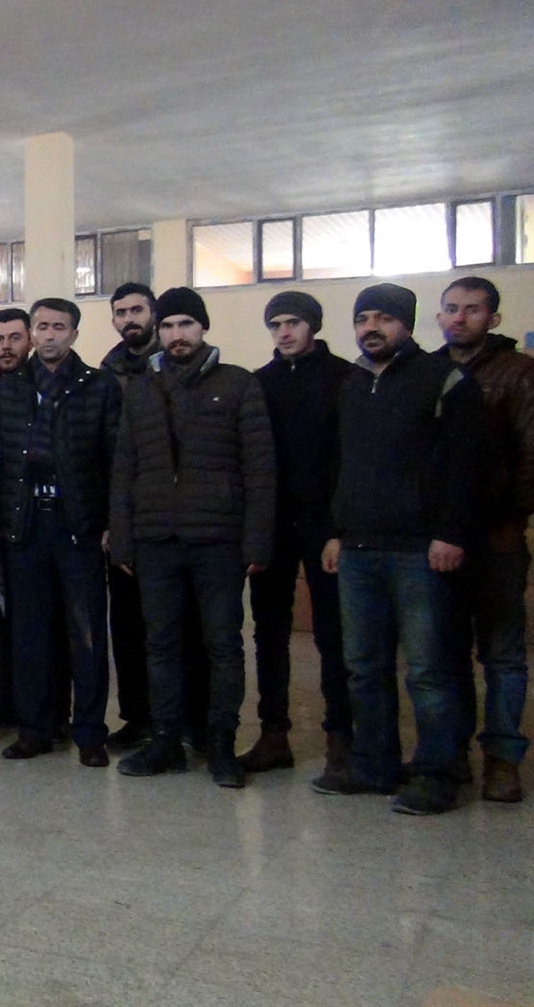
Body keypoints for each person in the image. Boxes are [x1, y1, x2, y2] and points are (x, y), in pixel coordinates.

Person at [319, 283, 483, 815]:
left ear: (407, 325)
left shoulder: (444, 379)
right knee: (364, 667)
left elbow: (467, 466)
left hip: (420, 551)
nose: (371, 328)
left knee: (428, 670)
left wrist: (451, 533)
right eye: (363, 319)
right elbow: (337, 463)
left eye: (383, 319)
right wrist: (334, 531)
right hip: (357, 549)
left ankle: (437, 774)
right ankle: (374, 766)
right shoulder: (349, 384)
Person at [109, 288, 275, 788]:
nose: (176, 335)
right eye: (168, 326)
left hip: (218, 540)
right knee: (160, 645)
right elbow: (125, 468)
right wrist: (123, 540)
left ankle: (220, 744)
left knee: (222, 645)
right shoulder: (142, 389)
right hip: (157, 539)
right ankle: (165, 741)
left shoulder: (238, 384)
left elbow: (260, 469)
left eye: (185, 324)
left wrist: (257, 542)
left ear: (203, 328)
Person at [0, 298, 121, 767]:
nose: (50, 334)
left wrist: (110, 522)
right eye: (42, 326)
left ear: (74, 334)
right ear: (33, 333)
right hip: (24, 526)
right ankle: (35, 730)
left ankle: (90, 733)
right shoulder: (8, 391)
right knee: (29, 634)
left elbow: (115, 461)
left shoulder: (99, 386)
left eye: (59, 327)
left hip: (79, 526)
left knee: (86, 634)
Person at [435, 276, 534, 803]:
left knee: (502, 655)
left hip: (496, 538)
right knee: (447, 654)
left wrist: (509, 519)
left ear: (493, 319)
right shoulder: (430, 371)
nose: (459, 318)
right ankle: (453, 753)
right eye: (451, 308)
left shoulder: (520, 372)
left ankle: (503, 759)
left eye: (472, 309)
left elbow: (533, 455)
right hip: (442, 538)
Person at [247, 291, 356, 783]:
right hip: (272, 526)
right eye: (275, 325)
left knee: (334, 635)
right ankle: (274, 735)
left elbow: (350, 459)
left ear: (313, 325)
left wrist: (338, 528)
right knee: (269, 633)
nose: (284, 332)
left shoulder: (344, 379)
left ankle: (341, 739)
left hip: (325, 526)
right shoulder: (259, 383)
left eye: (293, 322)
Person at [0, 307, 70, 732]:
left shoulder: (51, 390)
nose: (6, 347)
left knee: (50, 623)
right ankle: (12, 703)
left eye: (14, 338)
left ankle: (54, 714)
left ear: (31, 340)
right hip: (3, 526)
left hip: (48, 523)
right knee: (9, 621)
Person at [97, 283, 160, 748]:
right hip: (120, 518)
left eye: (137, 310)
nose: (129, 319)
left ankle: (183, 721)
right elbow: (103, 451)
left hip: (170, 515)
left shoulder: (175, 363)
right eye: (121, 312)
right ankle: (137, 718)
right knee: (127, 625)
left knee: (174, 625)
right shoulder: (107, 373)